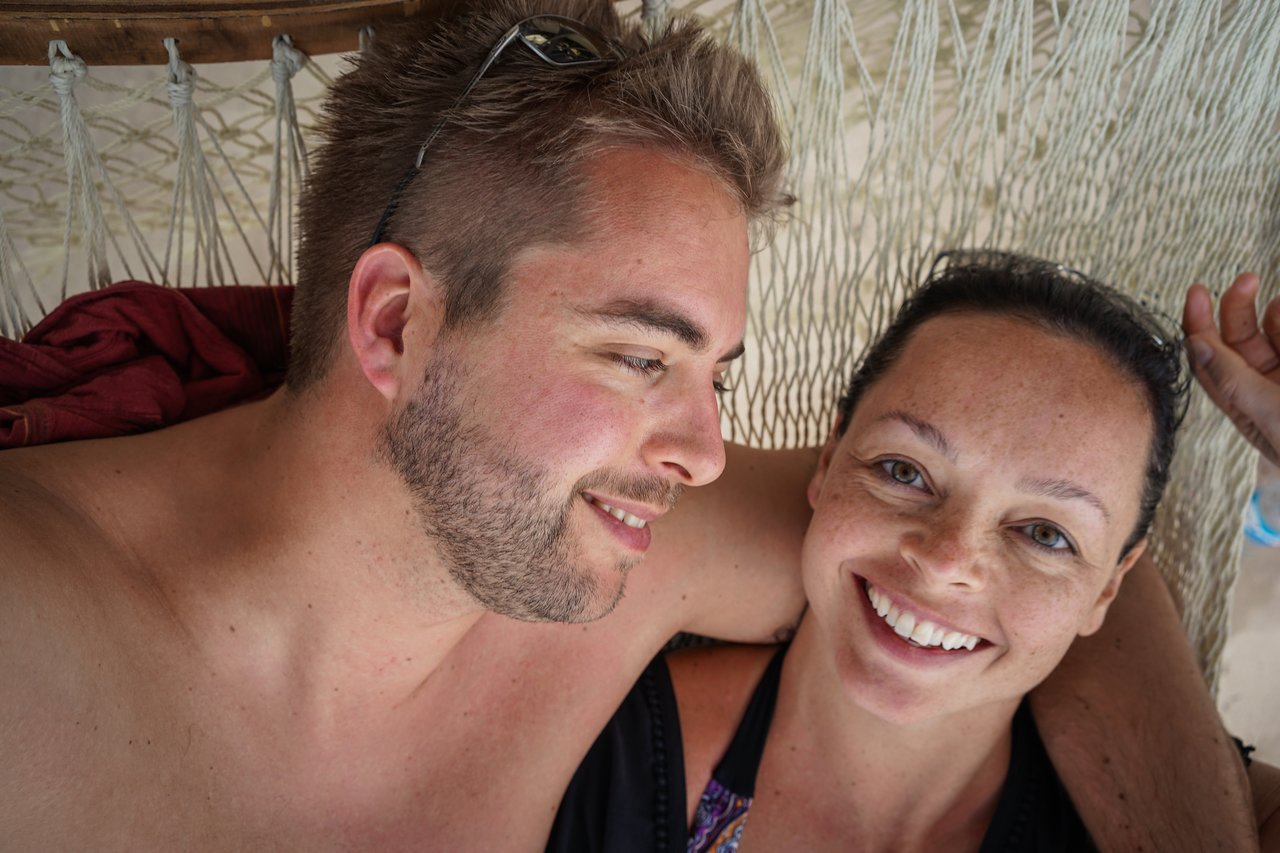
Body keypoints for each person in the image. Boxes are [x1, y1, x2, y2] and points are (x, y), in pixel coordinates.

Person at [0, 3, 1259, 850]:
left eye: (713, 367)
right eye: (640, 354)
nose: (706, 447)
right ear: (392, 323)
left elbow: (1051, 579)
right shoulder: (32, 634)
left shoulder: (624, 545)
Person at [548, 254, 1280, 850]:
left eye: (1045, 533)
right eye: (905, 472)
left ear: (1108, 591)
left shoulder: (1183, 808)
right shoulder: (587, 751)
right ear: (829, 459)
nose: (946, 557)